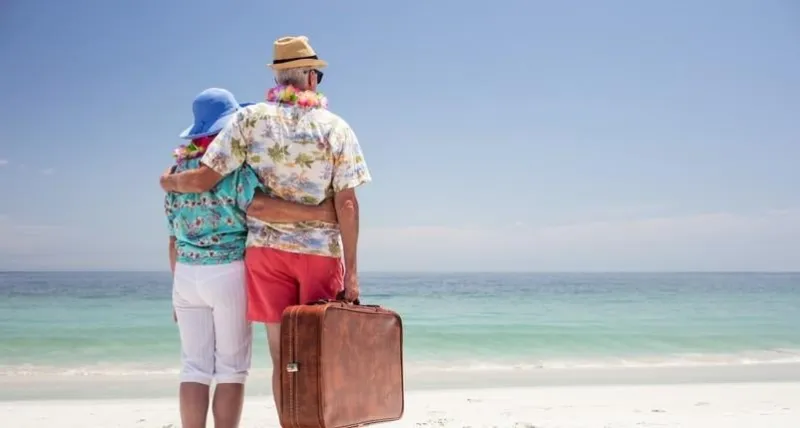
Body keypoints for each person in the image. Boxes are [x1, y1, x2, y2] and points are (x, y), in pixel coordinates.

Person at [159, 35, 371, 417]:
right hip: (319, 255)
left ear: (277, 79)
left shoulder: (248, 119)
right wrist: (352, 273)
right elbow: (349, 203)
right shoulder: (337, 128)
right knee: (318, 352)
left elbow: (208, 177)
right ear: (309, 77)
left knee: (282, 358)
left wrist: (169, 181)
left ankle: (290, 423)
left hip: (265, 256)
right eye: (317, 76)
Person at [165, 87, 338, 428]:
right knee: (232, 369)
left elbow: (173, 238)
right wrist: (320, 213)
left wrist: (176, 290)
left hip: (185, 274)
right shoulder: (232, 167)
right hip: (227, 271)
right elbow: (260, 206)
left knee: (194, 368)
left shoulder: (176, 173)